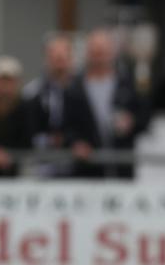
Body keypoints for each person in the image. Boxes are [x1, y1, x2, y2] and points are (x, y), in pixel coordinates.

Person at [63, 28, 146, 178]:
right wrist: (75, 143)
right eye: (95, 52)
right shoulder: (74, 88)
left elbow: (145, 117)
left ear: (112, 53)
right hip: (87, 168)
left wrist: (131, 122)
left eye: (103, 52)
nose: (99, 57)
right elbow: (65, 125)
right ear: (87, 53)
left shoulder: (127, 84)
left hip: (121, 165)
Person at [24, 34, 75, 153]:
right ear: (46, 59)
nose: (60, 65)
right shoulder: (31, 92)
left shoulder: (81, 92)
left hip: (75, 163)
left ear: (71, 59)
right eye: (55, 58)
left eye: (63, 58)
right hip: (42, 161)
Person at [0, 55, 32, 178]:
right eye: (1, 81)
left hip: (16, 177)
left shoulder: (27, 109)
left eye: (9, 81)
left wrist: (10, 155)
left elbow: (29, 141)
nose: (4, 87)